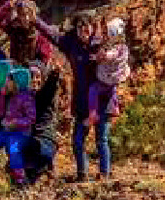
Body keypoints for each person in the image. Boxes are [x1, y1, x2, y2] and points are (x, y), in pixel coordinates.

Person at [32, 11, 105, 180]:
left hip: (101, 100)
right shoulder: (71, 44)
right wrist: (35, 20)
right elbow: (52, 34)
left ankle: (104, 173)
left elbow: (118, 55)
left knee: (102, 139)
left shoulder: (100, 44)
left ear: (92, 27)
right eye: (80, 26)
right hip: (81, 100)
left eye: (87, 25)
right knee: (78, 140)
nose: (84, 29)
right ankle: (82, 174)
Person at [87, 17, 131, 167]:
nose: (105, 34)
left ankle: (93, 113)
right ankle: (104, 171)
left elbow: (109, 56)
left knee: (94, 90)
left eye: (108, 32)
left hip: (106, 81)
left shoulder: (118, 48)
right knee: (102, 139)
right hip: (112, 82)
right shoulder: (122, 47)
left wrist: (98, 56)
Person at [0, 67, 36, 186]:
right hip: (7, 130)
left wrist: (15, 122)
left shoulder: (27, 97)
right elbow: (1, 113)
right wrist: (1, 95)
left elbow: (31, 118)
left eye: (9, 81)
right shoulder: (10, 95)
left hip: (21, 133)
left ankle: (20, 179)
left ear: (17, 82)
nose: (6, 83)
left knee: (13, 149)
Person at [25, 60, 64, 179]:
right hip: (30, 142)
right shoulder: (23, 97)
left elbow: (49, 89)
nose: (34, 80)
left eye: (37, 77)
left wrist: (54, 75)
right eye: (30, 77)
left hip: (44, 140)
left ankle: (45, 166)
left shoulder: (44, 96)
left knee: (36, 151)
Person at [0, 0, 53, 66]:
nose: (26, 18)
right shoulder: (15, 29)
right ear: (19, 16)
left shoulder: (41, 33)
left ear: (33, 15)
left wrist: (31, 66)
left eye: (29, 13)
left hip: (32, 73)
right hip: (15, 70)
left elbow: (44, 59)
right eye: (23, 14)